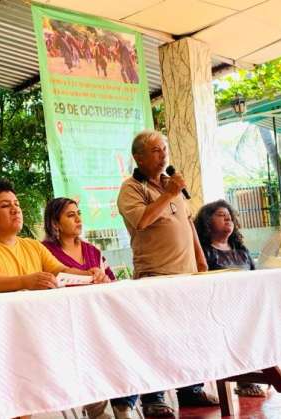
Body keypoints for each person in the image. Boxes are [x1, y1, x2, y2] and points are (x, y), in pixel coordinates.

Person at [0, 180, 105, 419]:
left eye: (17, 204)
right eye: (6, 206)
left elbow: (60, 271)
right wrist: (25, 281)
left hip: (41, 335)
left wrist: (89, 273)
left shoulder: (32, 246)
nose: (16, 209)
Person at [115, 130, 217, 418]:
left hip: (187, 274)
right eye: (157, 150)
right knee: (156, 337)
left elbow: (187, 225)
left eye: (165, 148)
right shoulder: (131, 188)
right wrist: (169, 193)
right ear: (139, 157)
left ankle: (190, 389)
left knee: (189, 334)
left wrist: (200, 260)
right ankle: (154, 395)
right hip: (156, 274)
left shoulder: (170, 186)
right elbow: (142, 221)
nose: (164, 154)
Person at [41, 197, 116, 419]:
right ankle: (98, 411)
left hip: (98, 319)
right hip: (64, 323)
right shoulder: (45, 251)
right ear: (55, 222)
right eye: (71, 215)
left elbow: (111, 282)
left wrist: (102, 278)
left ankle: (123, 405)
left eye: (79, 213)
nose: (78, 219)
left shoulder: (92, 250)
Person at [194, 200, 264, 397]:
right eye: (221, 215)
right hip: (216, 311)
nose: (228, 218)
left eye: (230, 216)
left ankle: (249, 379)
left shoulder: (242, 252)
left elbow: (255, 279)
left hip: (245, 308)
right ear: (207, 223)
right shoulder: (203, 252)